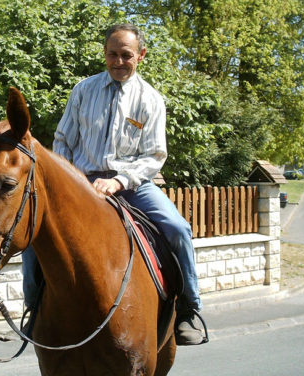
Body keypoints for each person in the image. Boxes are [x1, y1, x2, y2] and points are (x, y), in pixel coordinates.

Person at [22, 23, 204, 345]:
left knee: (177, 229)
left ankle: (189, 309)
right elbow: (63, 140)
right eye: (112, 54)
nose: (118, 62)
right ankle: (34, 308)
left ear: (141, 55)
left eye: (126, 55)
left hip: (133, 185)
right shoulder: (82, 91)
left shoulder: (151, 100)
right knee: (34, 237)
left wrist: (118, 181)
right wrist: (71, 179)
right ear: (104, 54)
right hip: (81, 183)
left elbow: (154, 156)